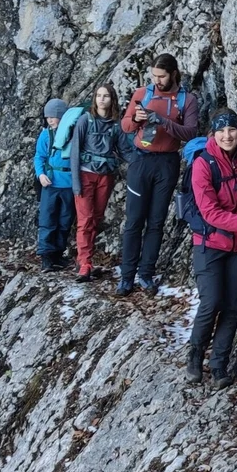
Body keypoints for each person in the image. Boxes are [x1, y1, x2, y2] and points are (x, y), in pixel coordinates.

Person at [187, 109, 237, 387]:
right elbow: (210, 213)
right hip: (210, 243)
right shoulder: (203, 164)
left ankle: (219, 365)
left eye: (232, 129)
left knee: (232, 307)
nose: (227, 135)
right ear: (213, 134)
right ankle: (195, 356)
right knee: (211, 302)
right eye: (221, 131)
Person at [117, 54, 200, 296]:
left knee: (156, 221)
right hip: (141, 160)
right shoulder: (142, 93)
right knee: (134, 221)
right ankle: (126, 276)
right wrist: (136, 118)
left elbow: (190, 133)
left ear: (173, 74)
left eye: (161, 76)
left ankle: (146, 274)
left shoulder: (187, 100)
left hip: (167, 162)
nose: (157, 80)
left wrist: (163, 121)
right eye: (154, 76)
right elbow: (125, 126)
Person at [70, 84, 124, 281]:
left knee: (96, 218)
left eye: (106, 96)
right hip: (85, 175)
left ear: (112, 99)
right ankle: (85, 263)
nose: (101, 99)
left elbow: (124, 149)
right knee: (85, 219)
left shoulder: (116, 124)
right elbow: (75, 151)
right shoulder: (85, 120)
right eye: (98, 95)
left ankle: (84, 259)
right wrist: (75, 182)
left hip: (106, 176)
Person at [33, 98, 76, 271]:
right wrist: (41, 174)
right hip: (51, 184)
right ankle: (46, 257)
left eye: (53, 117)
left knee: (65, 221)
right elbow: (39, 157)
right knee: (47, 220)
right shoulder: (46, 135)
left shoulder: (74, 134)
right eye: (48, 117)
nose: (50, 120)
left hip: (69, 185)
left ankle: (58, 254)